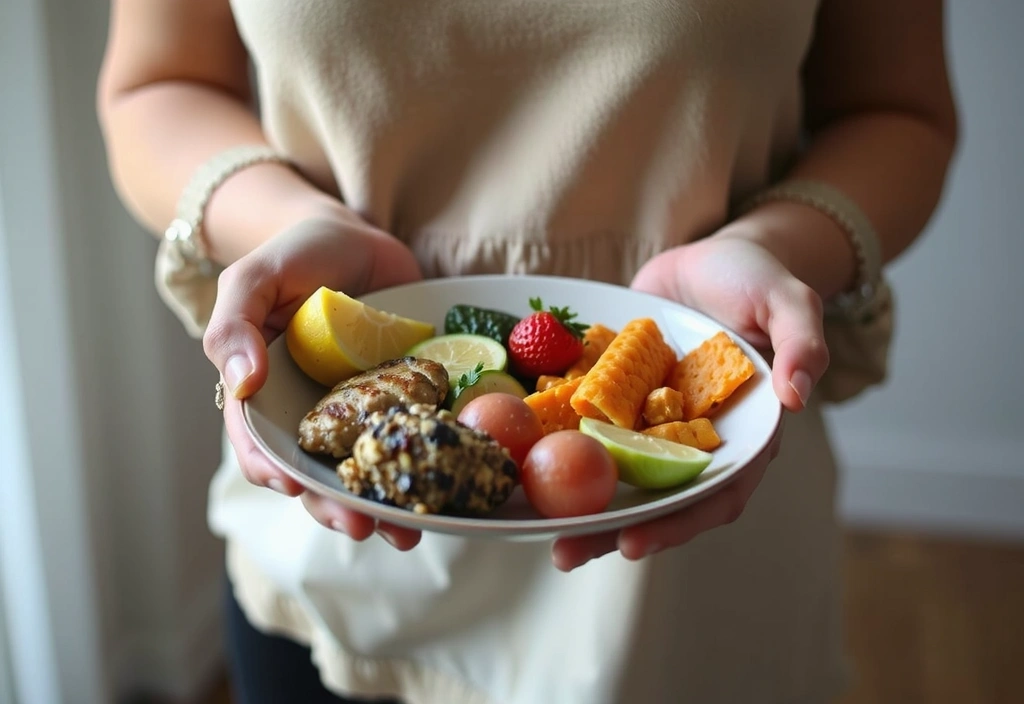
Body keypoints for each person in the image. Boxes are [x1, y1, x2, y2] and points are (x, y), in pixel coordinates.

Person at [96, 1, 958, 702]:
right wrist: (294, 225)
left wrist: (779, 244)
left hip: (698, 580)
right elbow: (156, 84)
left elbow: (899, 111)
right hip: (332, 579)